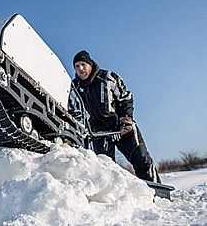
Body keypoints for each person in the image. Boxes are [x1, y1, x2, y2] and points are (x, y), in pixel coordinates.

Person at [68, 50, 161, 183]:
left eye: (83, 64)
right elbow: (74, 112)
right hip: (99, 133)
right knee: (105, 170)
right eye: (77, 66)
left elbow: (126, 98)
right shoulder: (74, 88)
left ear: (90, 64)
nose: (80, 69)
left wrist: (126, 119)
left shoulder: (108, 78)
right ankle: (114, 200)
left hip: (121, 128)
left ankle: (157, 191)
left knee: (142, 160)